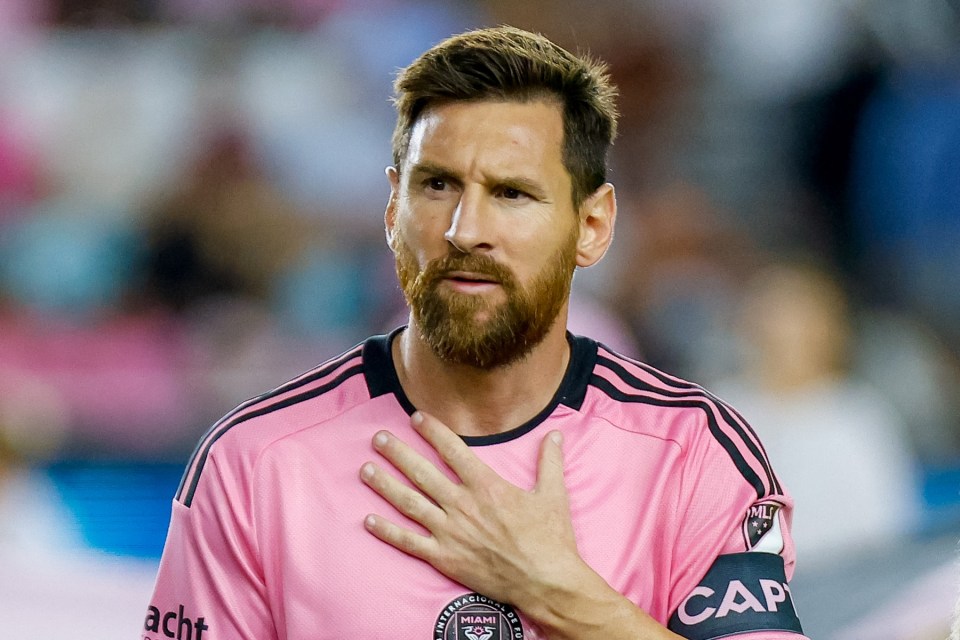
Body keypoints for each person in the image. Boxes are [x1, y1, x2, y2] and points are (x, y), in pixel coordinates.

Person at [143, 26, 808, 640]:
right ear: (392, 209)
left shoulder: (693, 456)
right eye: (437, 185)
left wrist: (559, 592)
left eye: (512, 193)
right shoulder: (253, 465)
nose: (465, 230)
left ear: (593, 226)